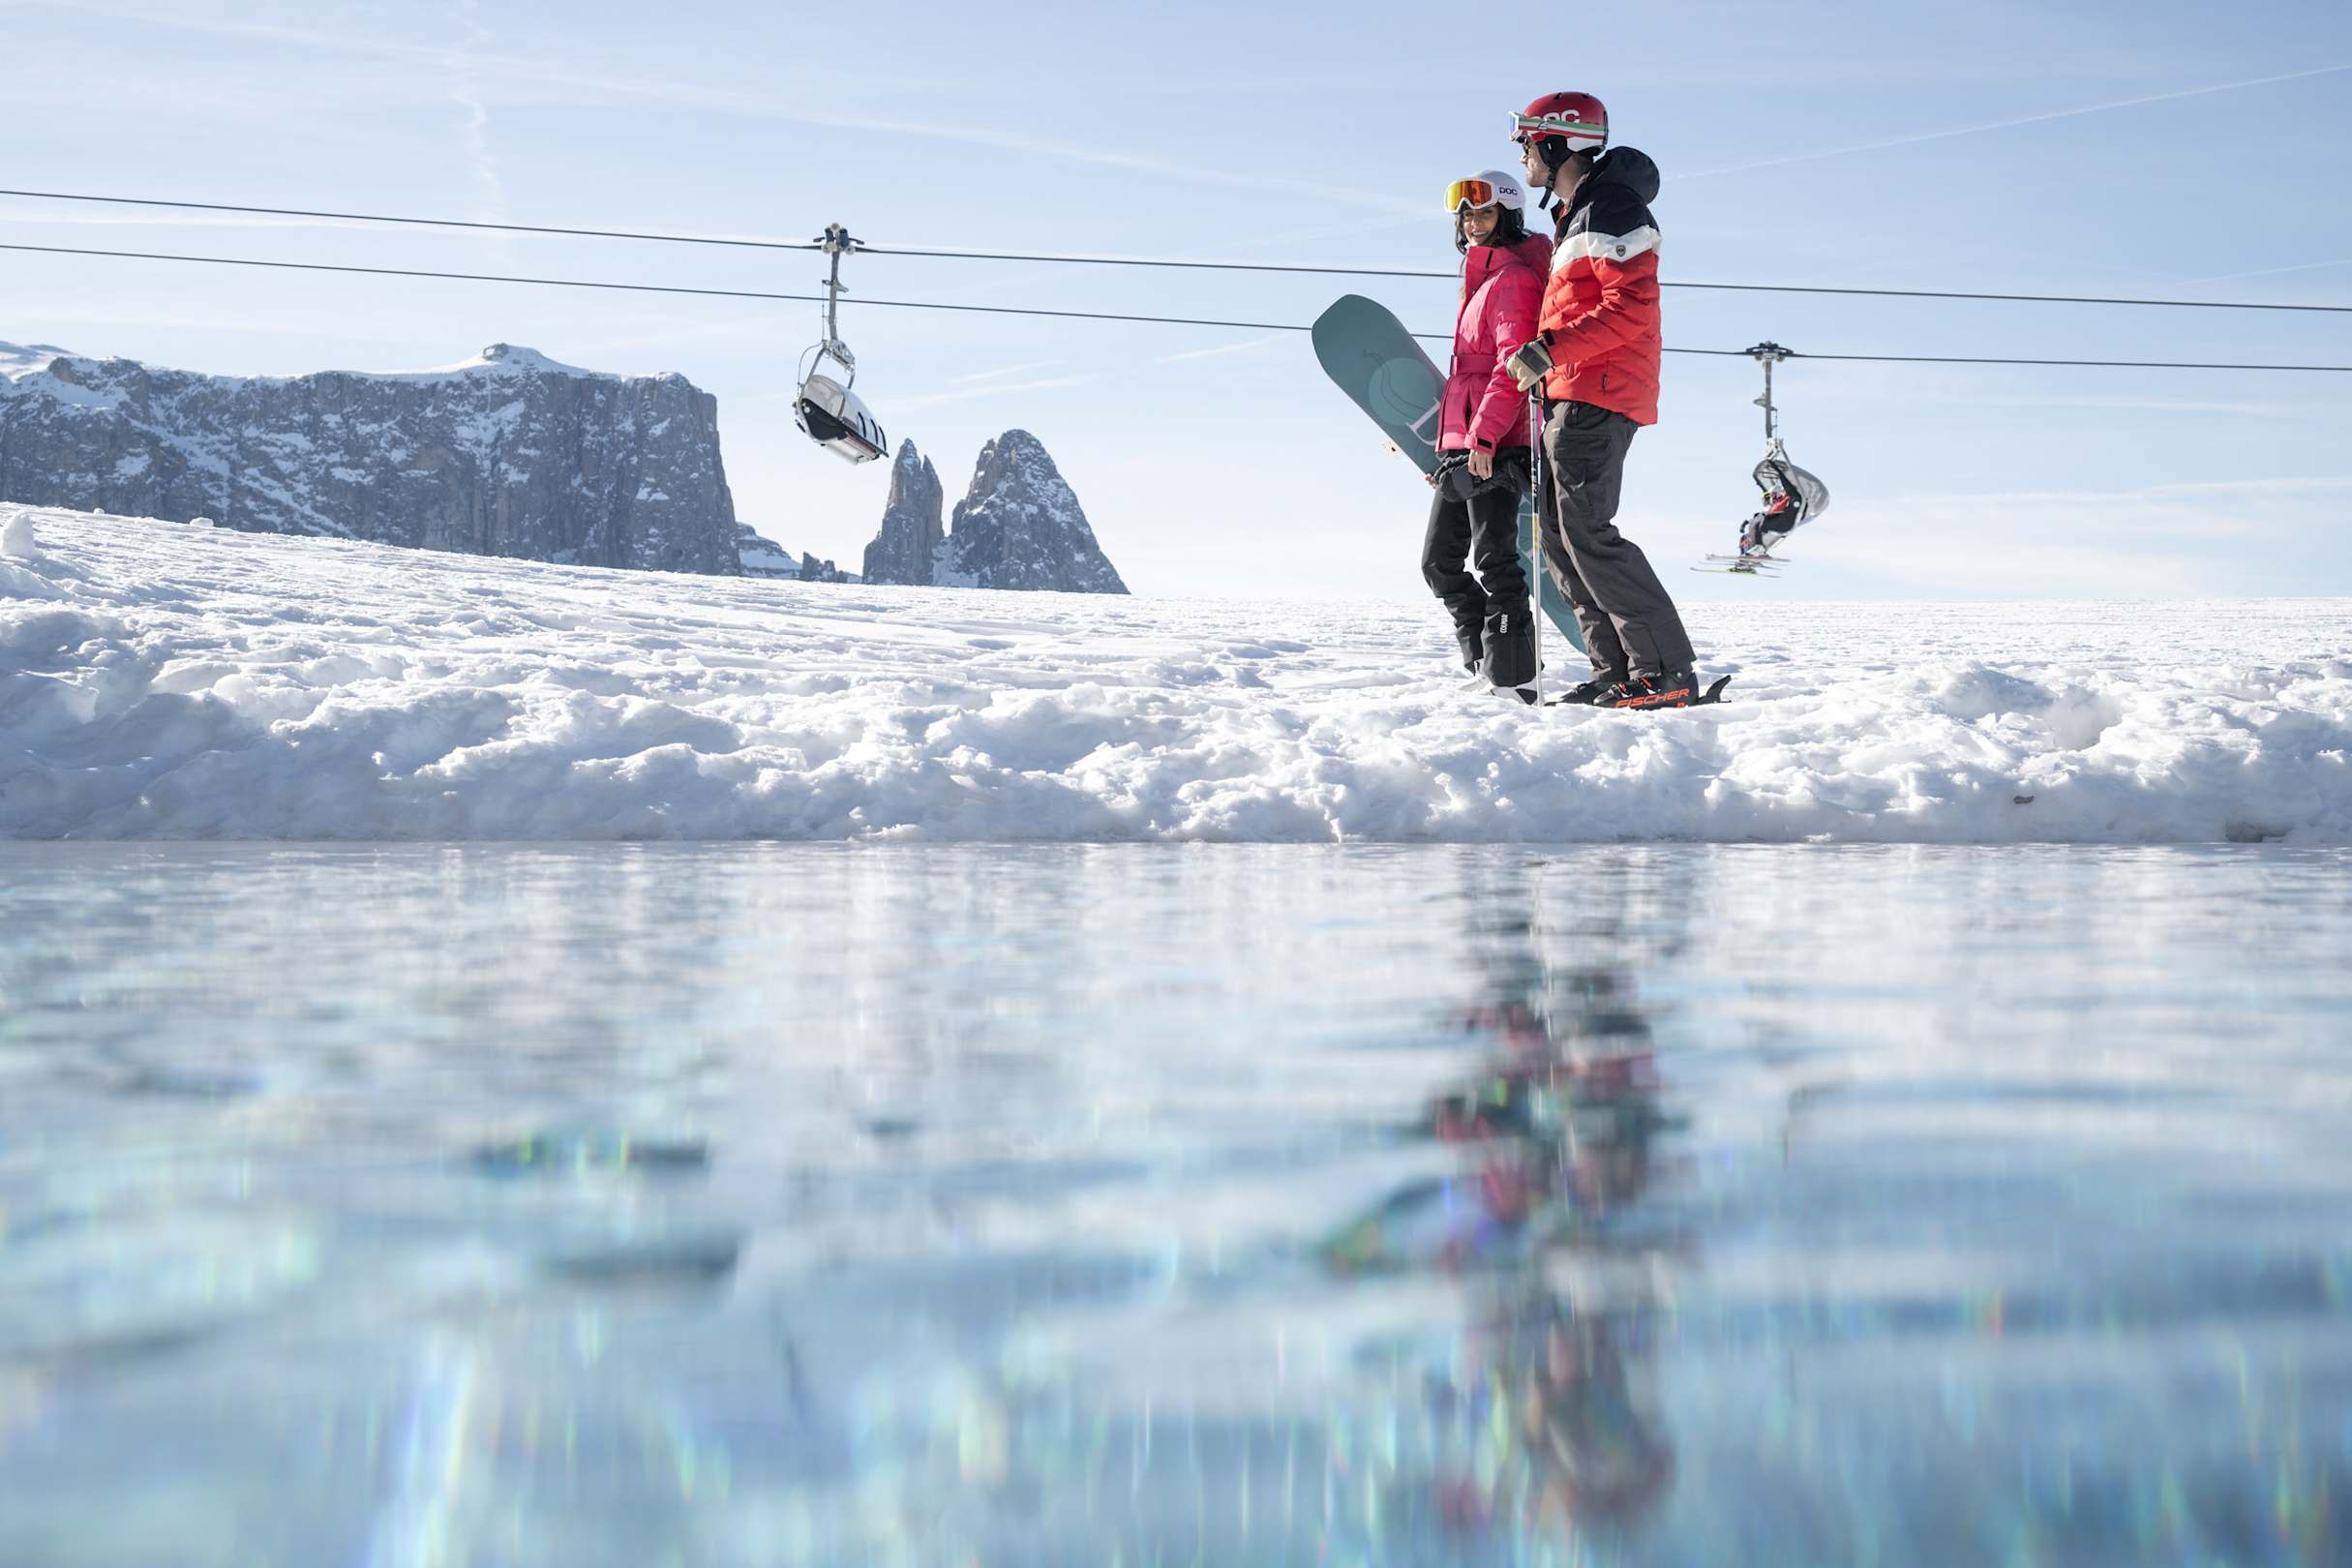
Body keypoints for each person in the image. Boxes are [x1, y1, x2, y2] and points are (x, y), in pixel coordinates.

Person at [1503, 93, 1704, 709]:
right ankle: (1617, 670)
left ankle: (1665, 670)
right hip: (1571, 390)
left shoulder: (1611, 207)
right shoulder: (1578, 213)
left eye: (1526, 141)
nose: (1521, 154)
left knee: (1587, 530)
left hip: (1599, 390)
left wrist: (1550, 349)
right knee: (1559, 536)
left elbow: (1630, 307)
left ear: (1558, 141)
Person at [1423, 168, 1553, 701]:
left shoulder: (1514, 281)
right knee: (1438, 563)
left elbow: (1512, 367)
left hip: (1499, 441)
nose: (1473, 223)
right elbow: (1468, 380)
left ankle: (1515, 678)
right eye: (1467, 215)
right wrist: (1450, 446)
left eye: (1485, 212)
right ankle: (1486, 657)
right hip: (1469, 442)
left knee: (1495, 560)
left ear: (1509, 215)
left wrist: (1484, 439)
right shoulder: (1480, 283)